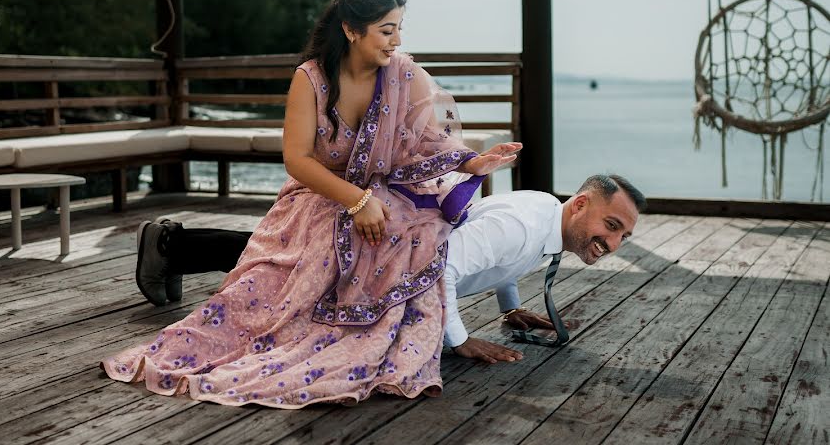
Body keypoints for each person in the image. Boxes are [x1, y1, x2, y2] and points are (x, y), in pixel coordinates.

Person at [102, 0, 519, 408]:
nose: (396, 41)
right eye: (386, 30)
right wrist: (356, 201)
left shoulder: (404, 75)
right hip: (318, 193)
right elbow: (297, 159)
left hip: (381, 192)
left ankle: (176, 247)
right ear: (351, 29)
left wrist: (473, 162)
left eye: (400, 29)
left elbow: (427, 142)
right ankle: (175, 250)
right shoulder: (312, 79)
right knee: (307, 258)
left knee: (409, 235)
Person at [136, 174, 646, 364]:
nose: (614, 242)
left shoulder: (547, 218)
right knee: (288, 265)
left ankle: (172, 244)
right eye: (611, 224)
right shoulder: (522, 226)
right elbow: (442, 267)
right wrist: (460, 341)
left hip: (395, 258)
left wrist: (510, 308)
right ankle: (169, 243)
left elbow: (493, 259)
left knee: (287, 265)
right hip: (388, 261)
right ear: (581, 205)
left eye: (624, 235)